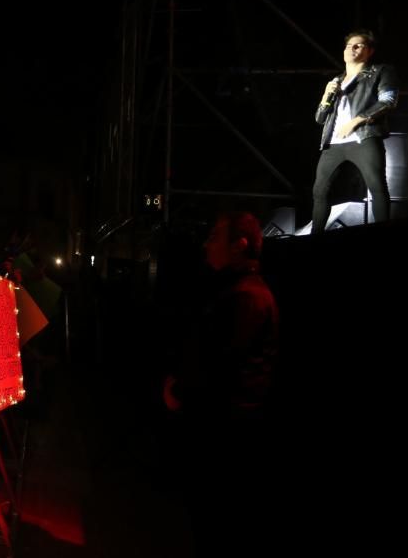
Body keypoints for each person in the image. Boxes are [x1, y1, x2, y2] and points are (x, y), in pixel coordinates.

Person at [163, 212, 280, 557]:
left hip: (224, 435)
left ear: (239, 246)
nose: (206, 244)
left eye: (215, 237)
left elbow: (219, 367)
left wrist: (179, 392)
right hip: (225, 432)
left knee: (214, 524)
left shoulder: (245, 298)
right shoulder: (242, 292)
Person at [312, 29, 399, 233]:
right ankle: (315, 234)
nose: (352, 48)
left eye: (358, 45)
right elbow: (319, 119)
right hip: (333, 143)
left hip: (364, 137)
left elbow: (388, 101)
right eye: (348, 46)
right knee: (319, 192)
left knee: (376, 187)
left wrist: (356, 122)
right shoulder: (335, 82)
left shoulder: (380, 71)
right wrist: (326, 96)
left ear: (369, 51)